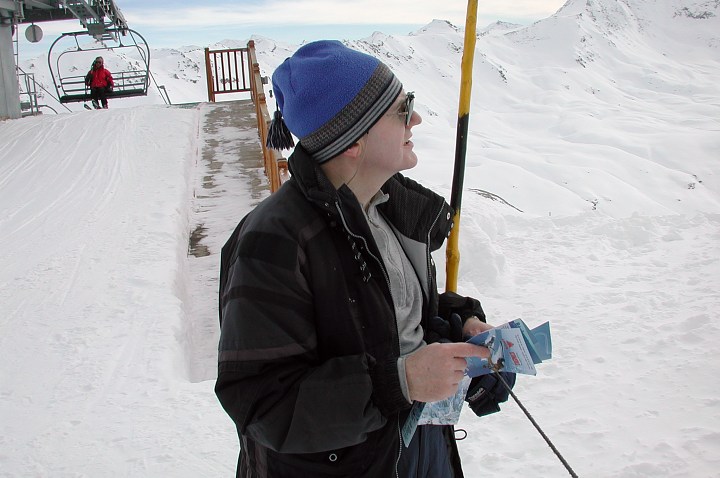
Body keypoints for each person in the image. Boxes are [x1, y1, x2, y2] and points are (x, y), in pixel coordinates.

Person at [216, 40, 515, 478]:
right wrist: (402, 382)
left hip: (414, 443)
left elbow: (383, 318)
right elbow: (263, 403)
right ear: (353, 139)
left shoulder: (390, 210)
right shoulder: (273, 242)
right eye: (401, 109)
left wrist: (460, 326)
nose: (415, 118)